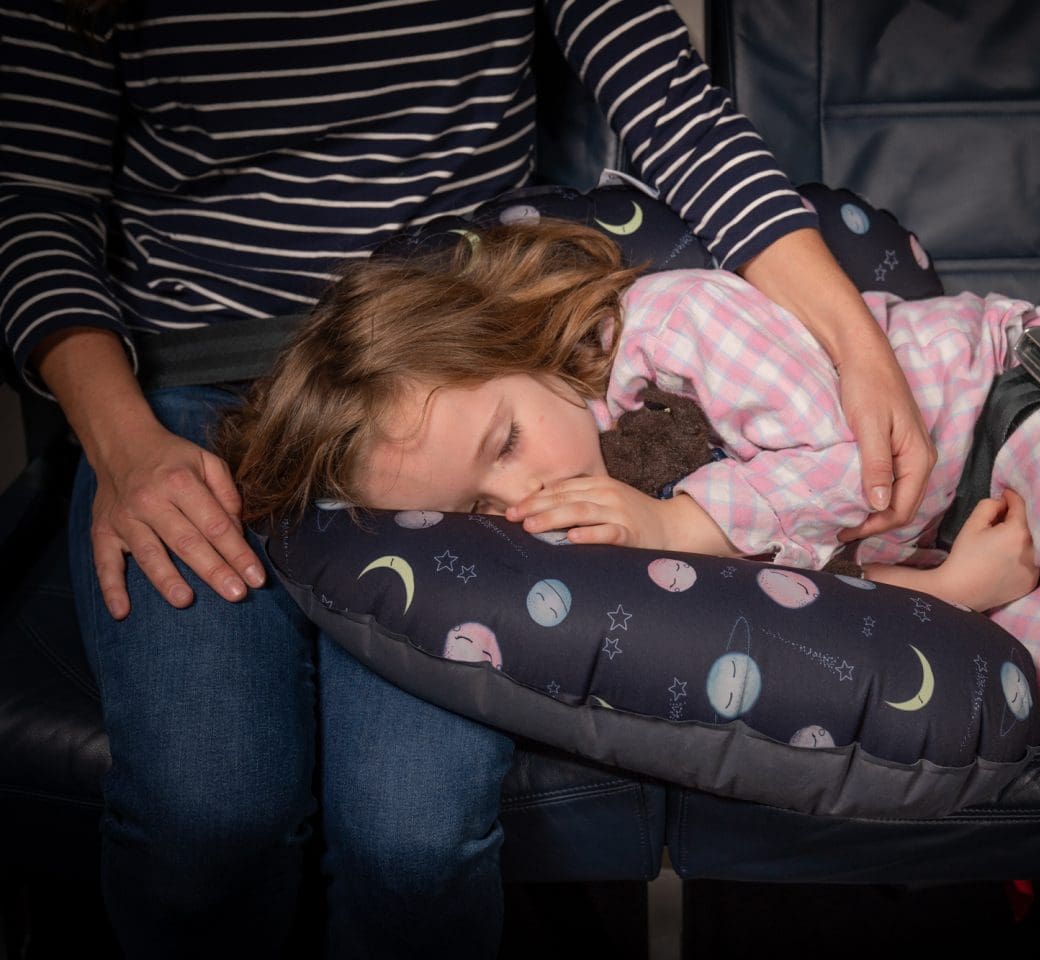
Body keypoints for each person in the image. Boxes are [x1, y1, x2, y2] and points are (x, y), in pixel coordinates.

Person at [0, 1, 936, 955]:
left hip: (446, 372)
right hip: (185, 388)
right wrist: (121, 442)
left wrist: (856, 345)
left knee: (414, 839)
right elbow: (32, 202)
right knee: (209, 818)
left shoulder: (545, 407)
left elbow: (671, 104)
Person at [217, 219, 1040, 741]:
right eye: (479, 509)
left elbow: (851, 465)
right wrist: (954, 596)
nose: (518, 501)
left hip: (1018, 405)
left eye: (503, 447)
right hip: (958, 533)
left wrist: (680, 520)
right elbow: (808, 612)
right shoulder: (598, 528)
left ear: (508, 349)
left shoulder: (671, 328)